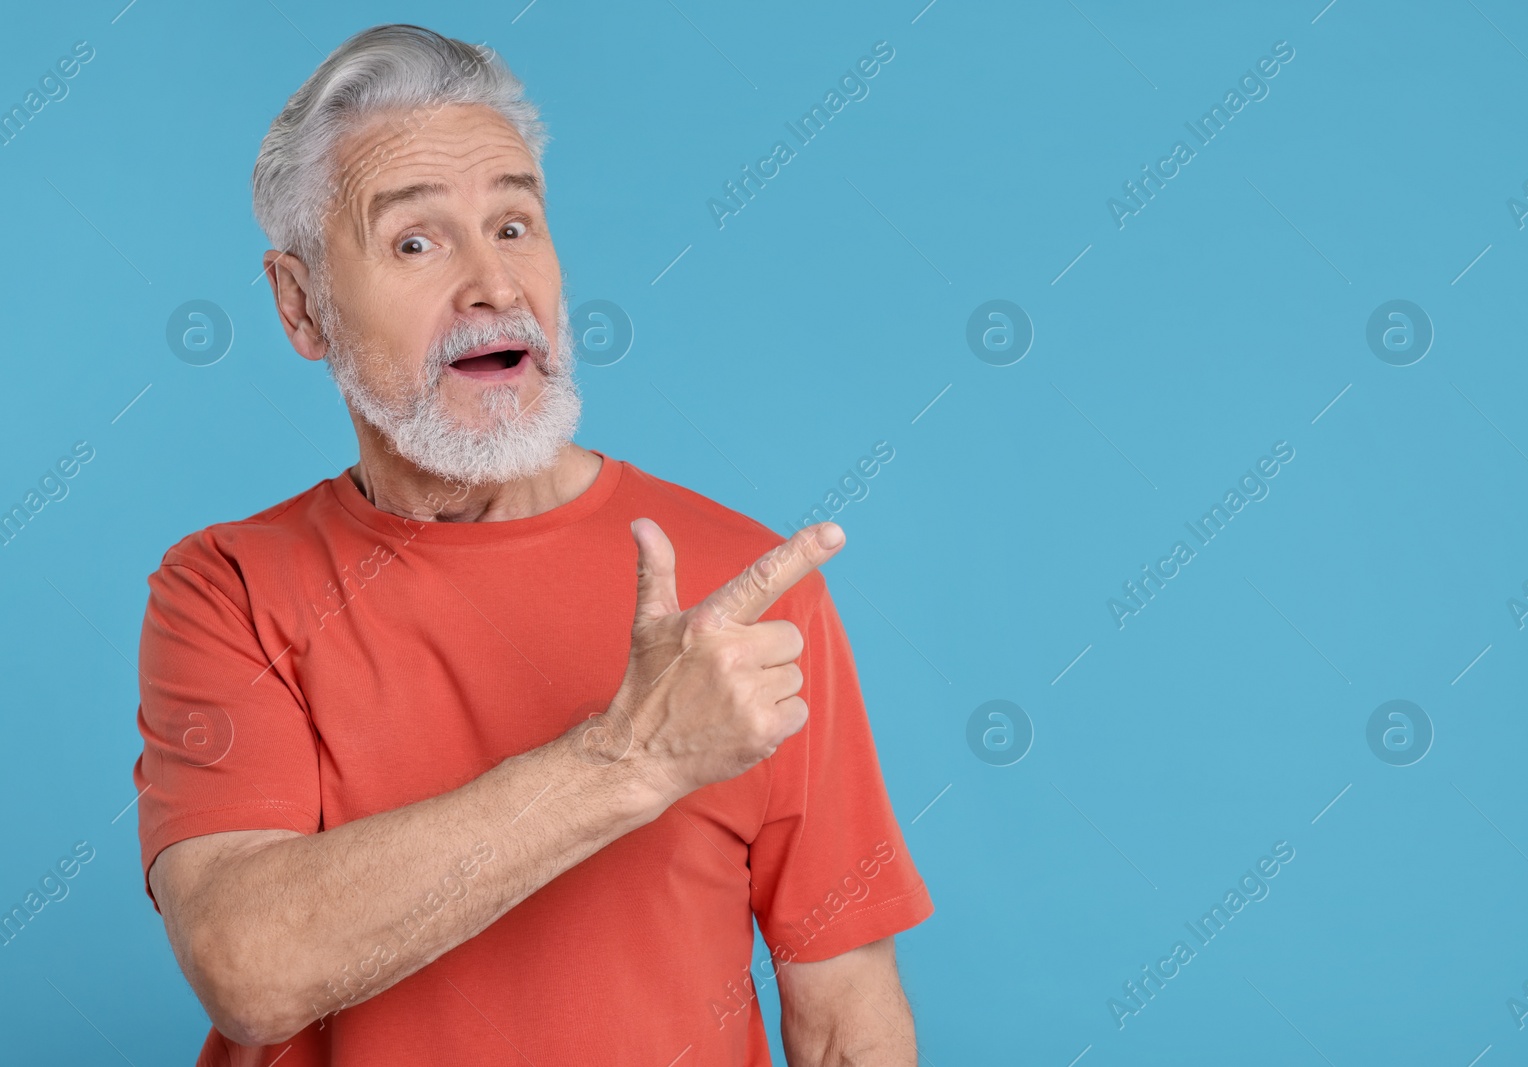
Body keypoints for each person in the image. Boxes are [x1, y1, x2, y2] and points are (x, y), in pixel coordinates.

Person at [132, 23, 933, 1066]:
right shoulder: (230, 588)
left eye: (514, 225)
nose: (493, 287)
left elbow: (843, 1014)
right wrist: (631, 758)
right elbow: (248, 964)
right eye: (416, 242)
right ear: (301, 304)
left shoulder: (741, 595)